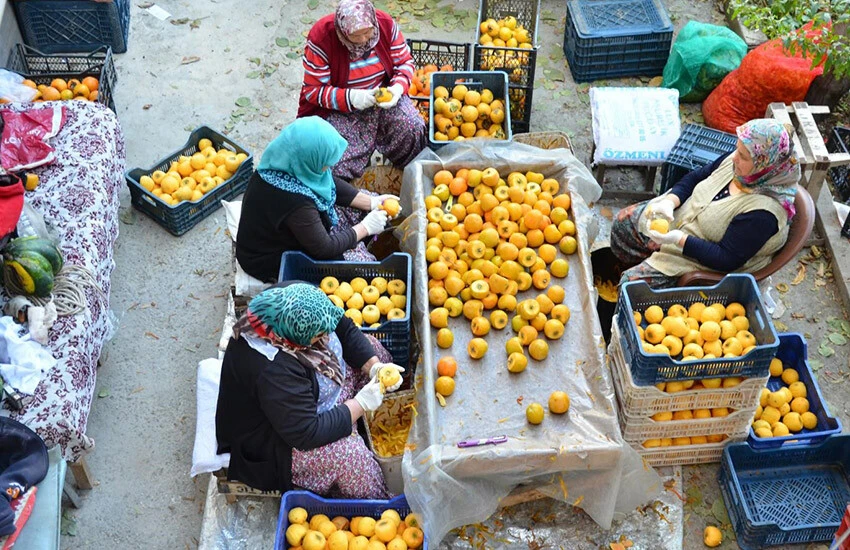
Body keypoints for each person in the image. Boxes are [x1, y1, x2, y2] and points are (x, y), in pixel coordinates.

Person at [215, 282, 405, 497]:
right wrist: (360, 404)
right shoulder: (273, 370)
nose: (326, 338)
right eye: (319, 336)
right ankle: (377, 502)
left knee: (373, 348)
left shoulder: (298, 296)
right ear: (295, 341)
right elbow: (306, 433)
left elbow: (344, 328)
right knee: (352, 459)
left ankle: (365, 427)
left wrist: (374, 367)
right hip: (281, 436)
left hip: (317, 390)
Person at [610, 118, 800, 288]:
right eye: (737, 149)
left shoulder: (764, 213)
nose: (735, 157)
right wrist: (669, 201)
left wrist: (679, 240)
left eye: (743, 156)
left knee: (630, 286)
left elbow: (725, 258)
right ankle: (641, 261)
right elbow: (695, 178)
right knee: (623, 223)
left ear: (764, 163)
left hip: (703, 261)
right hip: (683, 222)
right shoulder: (737, 163)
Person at [235, 117, 400, 283]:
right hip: (268, 258)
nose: (328, 168)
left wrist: (372, 202)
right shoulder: (295, 202)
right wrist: (365, 228)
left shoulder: (287, 164)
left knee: (359, 206)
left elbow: (328, 182)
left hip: (294, 230)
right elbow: (324, 248)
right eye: (325, 164)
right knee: (361, 270)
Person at [297, 0, 427, 181]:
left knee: (411, 126)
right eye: (356, 36)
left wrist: (397, 88)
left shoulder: (385, 24)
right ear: (342, 32)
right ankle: (350, 197)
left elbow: (404, 62)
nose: (364, 40)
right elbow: (313, 91)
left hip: (381, 100)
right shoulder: (322, 38)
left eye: (368, 32)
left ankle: (411, 176)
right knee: (333, 158)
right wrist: (351, 97)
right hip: (342, 110)